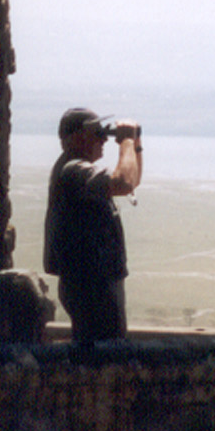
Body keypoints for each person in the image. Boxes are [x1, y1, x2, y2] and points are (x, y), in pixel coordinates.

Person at [43, 107, 142, 343]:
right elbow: (123, 182)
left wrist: (135, 145)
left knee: (102, 351)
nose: (103, 139)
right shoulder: (74, 171)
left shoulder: (75, 169)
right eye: (97, 132)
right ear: (76, 137)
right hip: (92, 286)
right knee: (104, 356)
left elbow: (132, 180)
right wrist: (126, 142)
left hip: (93, 283)